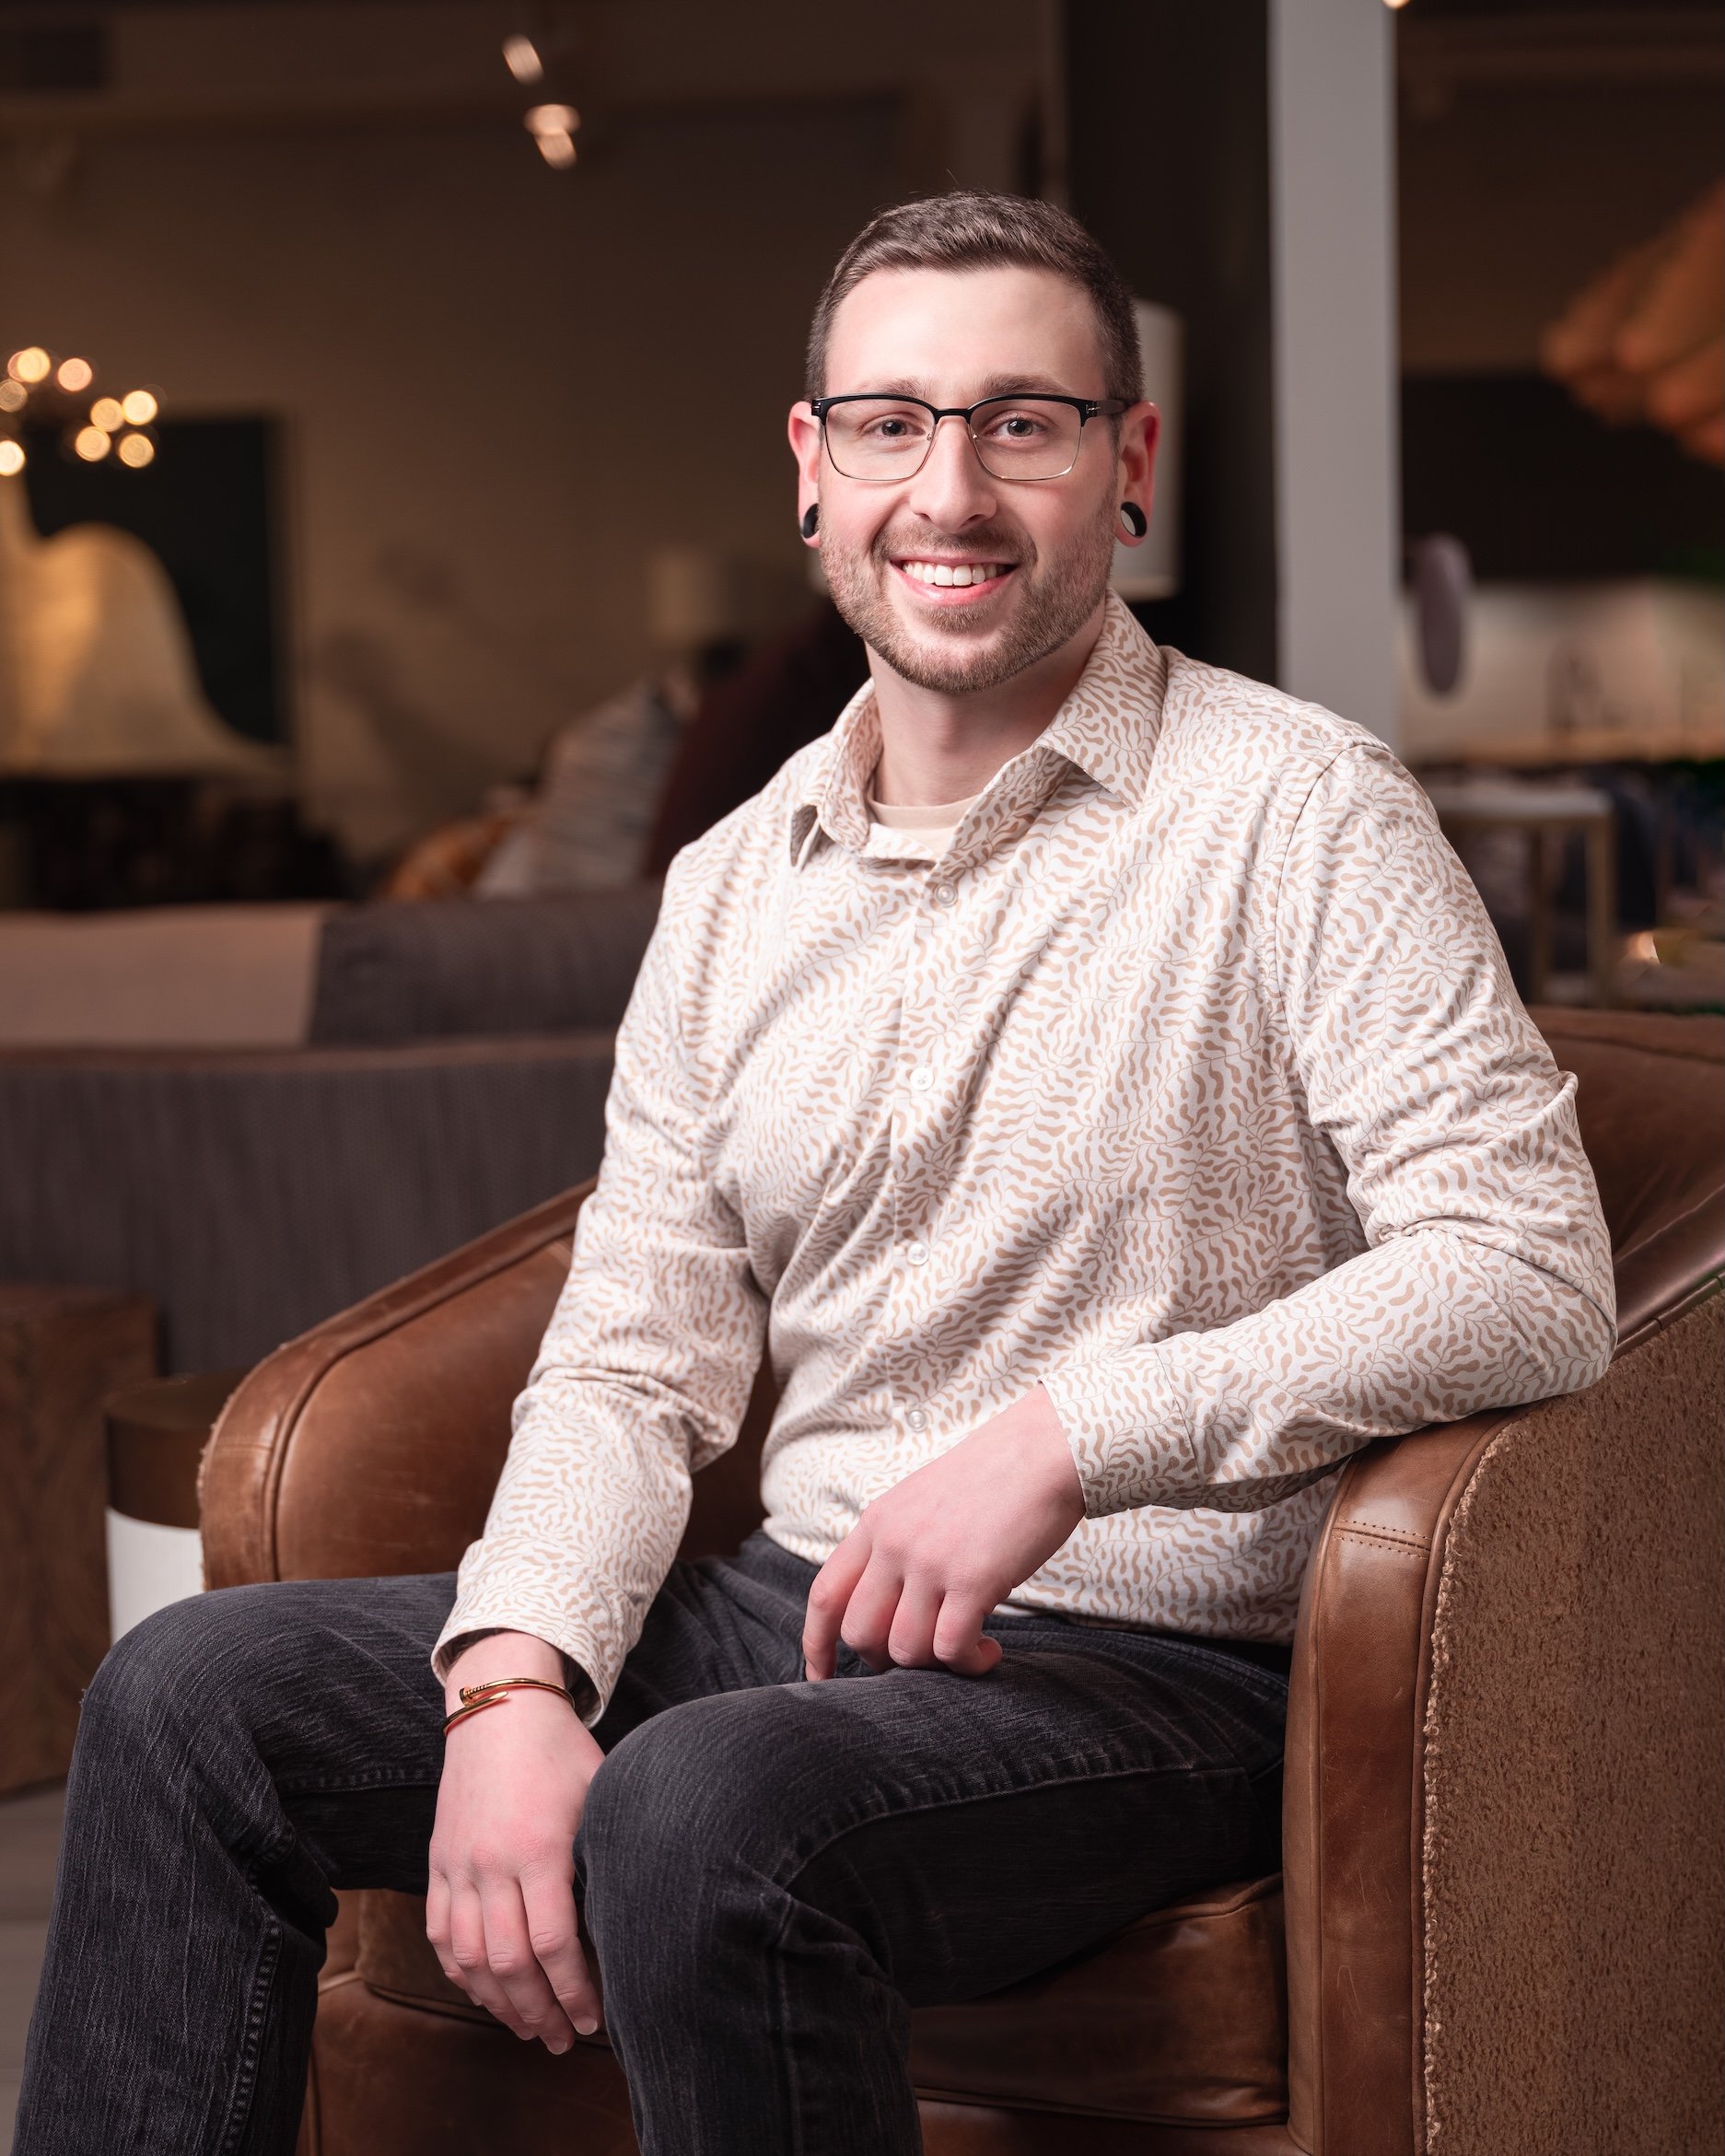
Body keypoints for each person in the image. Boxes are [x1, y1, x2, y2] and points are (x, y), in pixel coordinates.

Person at [16, 192, 1614, 2156]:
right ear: (812, 464)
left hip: (1148, 1663)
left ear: (1128, 463)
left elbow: (1523, 1264)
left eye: (1022, 422)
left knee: (700, 1805)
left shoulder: (1299, 812)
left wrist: (1066, 1435)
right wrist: (519, 1680)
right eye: (891, 423)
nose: (949, 488)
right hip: (790, 1608)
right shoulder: (730, 883)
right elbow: (633, 1351)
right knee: (189, 1693)